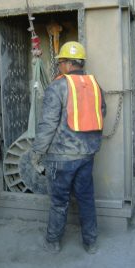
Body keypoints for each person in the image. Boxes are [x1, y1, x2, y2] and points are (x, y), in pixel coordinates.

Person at [30, 41, 106, 254]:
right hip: (87, 154)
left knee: (59, 201)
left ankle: (53, 242)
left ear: (67, 63)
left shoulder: (58, 86)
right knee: (86, 198)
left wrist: (37, 152)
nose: (59, 66)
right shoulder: (94, 84)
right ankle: (90, 243)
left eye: (60, 62)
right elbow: (103, 112)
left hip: (61, 157)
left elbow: (47, 124)